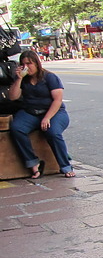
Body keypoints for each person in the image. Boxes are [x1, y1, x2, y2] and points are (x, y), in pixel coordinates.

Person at [8, 50, 75, 178]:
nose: (27, 67)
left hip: (54, 112)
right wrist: (18, 79)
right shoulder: (24, 80)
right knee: (17, 128)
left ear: (37, 64)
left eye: (30, 63)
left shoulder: (49, 77)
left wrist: (47, 118)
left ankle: (65, 165)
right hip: (31, 112)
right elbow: (13, 97)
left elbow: (57, 100)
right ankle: (33, 162)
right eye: (24, 64)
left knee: (52, 132)